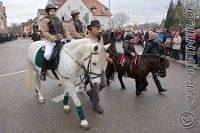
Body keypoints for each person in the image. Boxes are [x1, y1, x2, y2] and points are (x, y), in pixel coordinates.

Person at [85, 20, 113, 114]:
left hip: (100, 65)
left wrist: (107, 58)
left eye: (99, 27)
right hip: (91, 67)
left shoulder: (100, 37)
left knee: (104, 83)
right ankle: (96, 104)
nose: (99, 29)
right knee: (96, 85)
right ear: (91, 28)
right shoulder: (87, 39)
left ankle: (91, 93)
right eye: (97, 27)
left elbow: (102, 50)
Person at [40, 3, 72, 81]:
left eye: (54, 11)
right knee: (47, 54)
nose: (53, 12)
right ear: (48, 12)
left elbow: (65, 30)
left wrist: (68, 37)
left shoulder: (59, 20)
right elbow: (44, 32)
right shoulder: (45, 20)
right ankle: (43, 71)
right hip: (50, 41)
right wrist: (54, 39)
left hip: (60, 40)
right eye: (51, 11)